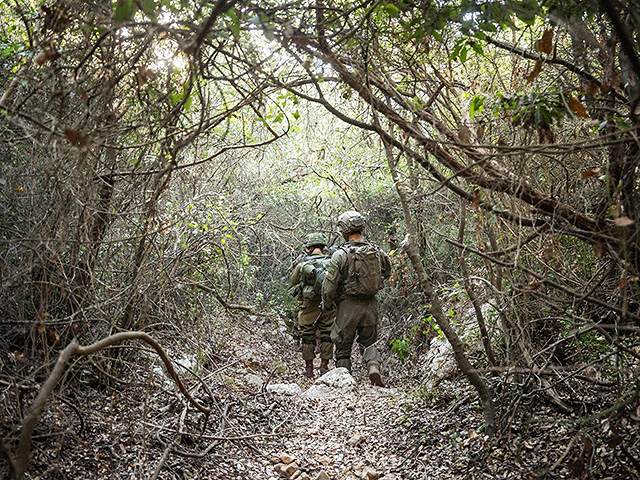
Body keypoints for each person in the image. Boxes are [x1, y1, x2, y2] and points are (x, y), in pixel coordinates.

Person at [321, 211, 391, 386]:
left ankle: (345, 381)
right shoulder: (377, 251)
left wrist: (327, 304)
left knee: (343, 346)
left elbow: (329, 285)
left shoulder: (340, 254)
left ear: (344, 229)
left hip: (348, 305)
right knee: (369, 341)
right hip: (370, 304)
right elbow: (387, 272)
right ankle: (373, 366)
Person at [290, 232, 336, 378]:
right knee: (327, 334)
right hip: (327, 304)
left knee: (308, 335)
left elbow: (293, 281)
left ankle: (309, 369)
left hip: (308, 304)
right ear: (323, 246)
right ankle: (324, 367)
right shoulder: (332, 262)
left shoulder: (303, 264)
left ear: (309, 247)